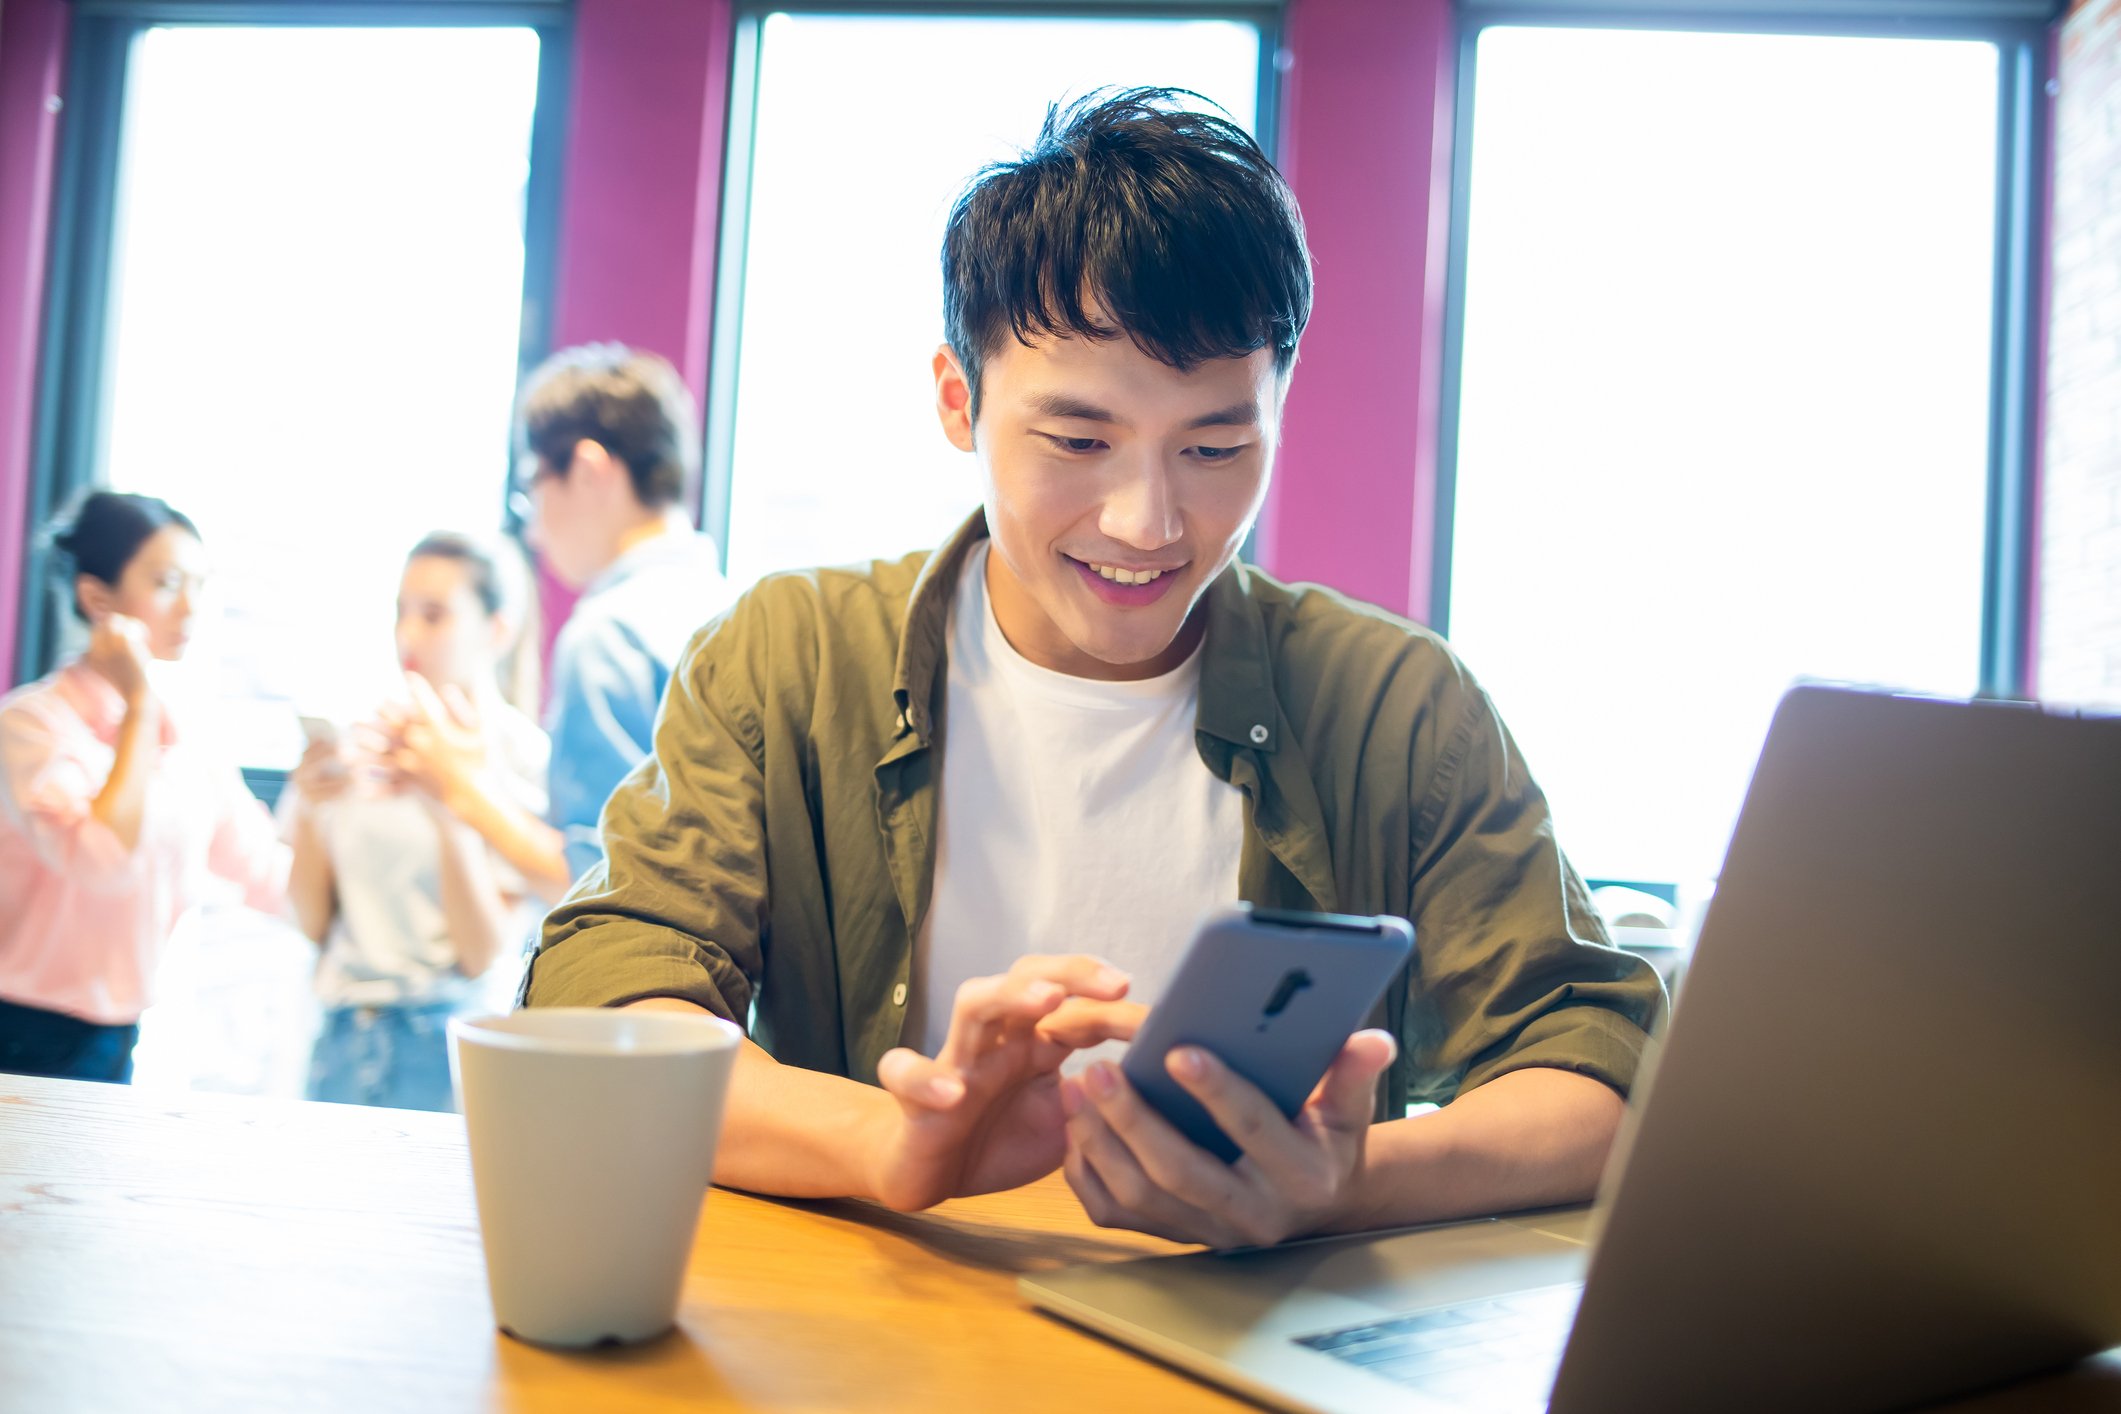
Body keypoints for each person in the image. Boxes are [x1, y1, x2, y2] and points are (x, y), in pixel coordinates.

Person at [521, 89, 1665, 1248]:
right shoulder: (791, 658)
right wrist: (887, 1142)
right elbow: (602, 998)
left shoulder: (1399, 706)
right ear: (958, 400)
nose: (1146, 522)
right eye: (1078, 441)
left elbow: (1601, 1074)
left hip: (1248, 1333)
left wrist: (1344, 1184)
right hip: (878, 1318)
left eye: (1215, 446)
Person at [0, 491, 287, 1083]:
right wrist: (136, 706)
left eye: (199, 585)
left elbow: (259, 869)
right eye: (167, 583)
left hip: (117, 1034)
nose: (190, 608)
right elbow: (101, 861)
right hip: (22, 1028)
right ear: (97, 599)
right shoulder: (31, 726)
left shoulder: (185, 733)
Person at [281, 532, 550, 1112]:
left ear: (496, 630)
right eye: (400, 611)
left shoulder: (521, 757)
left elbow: (482, 954)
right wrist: (309, 807)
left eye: (433, 615)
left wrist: (449, 808)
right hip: (342, 1034)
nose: (408, 634)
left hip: (450, 1044)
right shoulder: (362, 739)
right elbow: (312, 922)